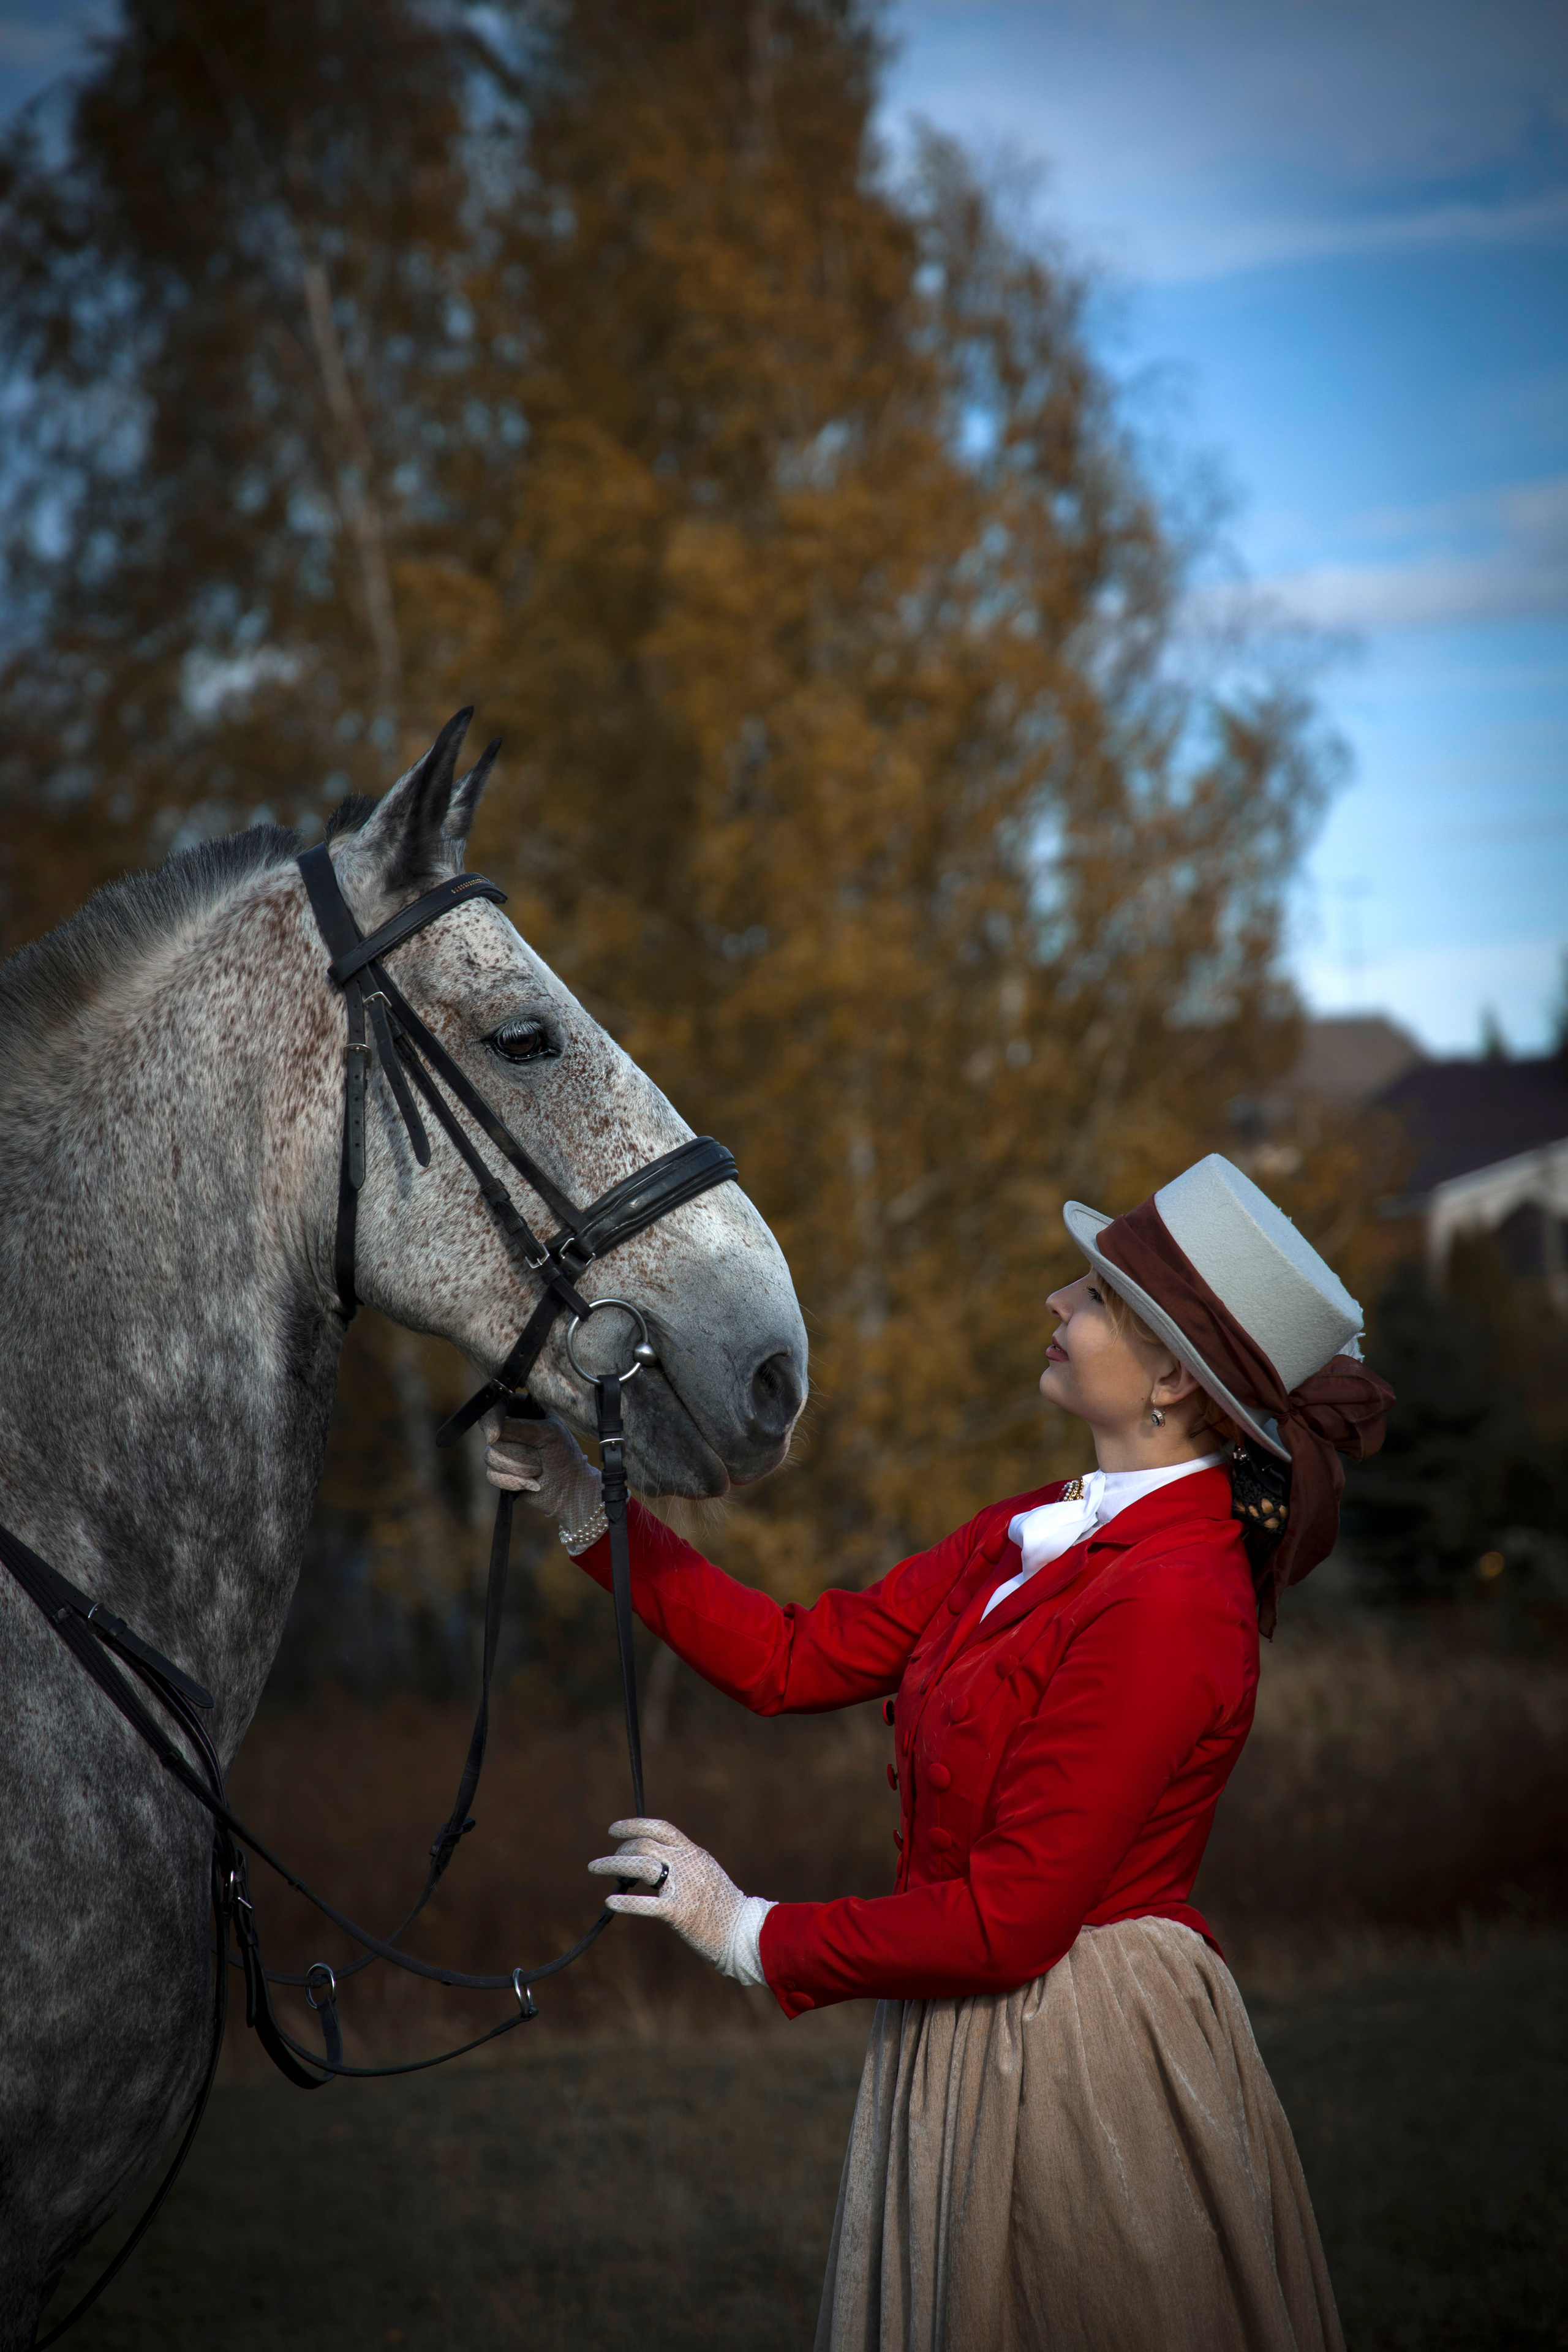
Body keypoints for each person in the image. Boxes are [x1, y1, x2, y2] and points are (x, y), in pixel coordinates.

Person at [485, 1153, 1393, 2352]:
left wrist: (746, 1929)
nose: (1055, 1309)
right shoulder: (1047, 1524)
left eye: (1092, 1298)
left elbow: (1012, 1920)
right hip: (967, 2023)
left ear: (1171, 1375)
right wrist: (593, 1514)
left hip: (1077, 2054)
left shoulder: (1174, 1599)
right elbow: (795, 1658)